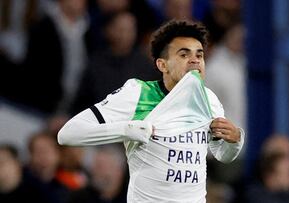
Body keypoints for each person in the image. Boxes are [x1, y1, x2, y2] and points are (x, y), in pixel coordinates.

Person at [58, 20, 245, 202]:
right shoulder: (138, 93)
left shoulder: (209, 100)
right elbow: (68, 134)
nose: (195, 60)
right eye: (184, 54)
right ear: (162, 65)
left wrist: (235, 140)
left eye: (200, 55)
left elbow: (223, 155)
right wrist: (127, 130)